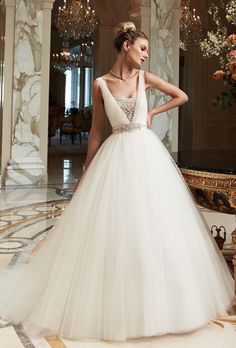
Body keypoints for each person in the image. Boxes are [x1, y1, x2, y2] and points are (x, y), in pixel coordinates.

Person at [0, 22, 234, 343]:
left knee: (154, 225)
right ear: (126, 45)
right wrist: (86, 172)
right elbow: (97, 133)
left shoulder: (145, 79)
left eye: (148, 51)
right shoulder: (100, 85)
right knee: (116, 228)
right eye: (142, 49)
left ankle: (162, 302)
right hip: (115, 157)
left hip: (147, 156)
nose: (146, 56)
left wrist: (152, 112)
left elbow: (182, 96)